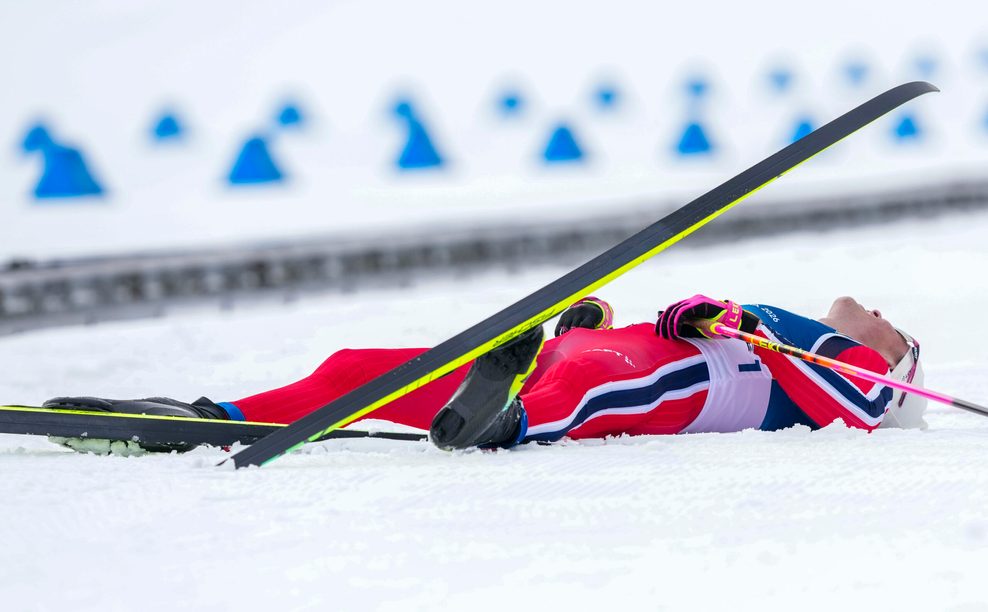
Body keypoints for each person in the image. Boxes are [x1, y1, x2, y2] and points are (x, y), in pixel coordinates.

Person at [44, 294, 926, 452]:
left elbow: (856, 408)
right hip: (618, 356)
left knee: (586, 382)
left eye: (893, 324)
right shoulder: (805, 331)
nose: (876, 309)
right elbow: (691, 327)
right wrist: (616, 319)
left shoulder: (850, 362)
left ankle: (502, 423)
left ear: (892, 352)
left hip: (685, 387)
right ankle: (217, 415)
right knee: (360, 368)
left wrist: (747, 320)